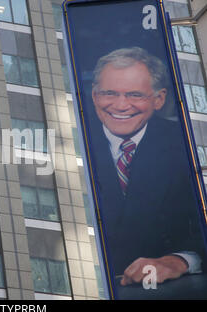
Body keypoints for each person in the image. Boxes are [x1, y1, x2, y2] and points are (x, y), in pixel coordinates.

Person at [88, 47, 207, 288]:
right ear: (94, 96)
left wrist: (180, 261)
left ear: (159, 99)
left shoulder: (188, 145)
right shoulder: (76, 142)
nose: (121, 106)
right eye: (109, 93)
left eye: (134, 95)